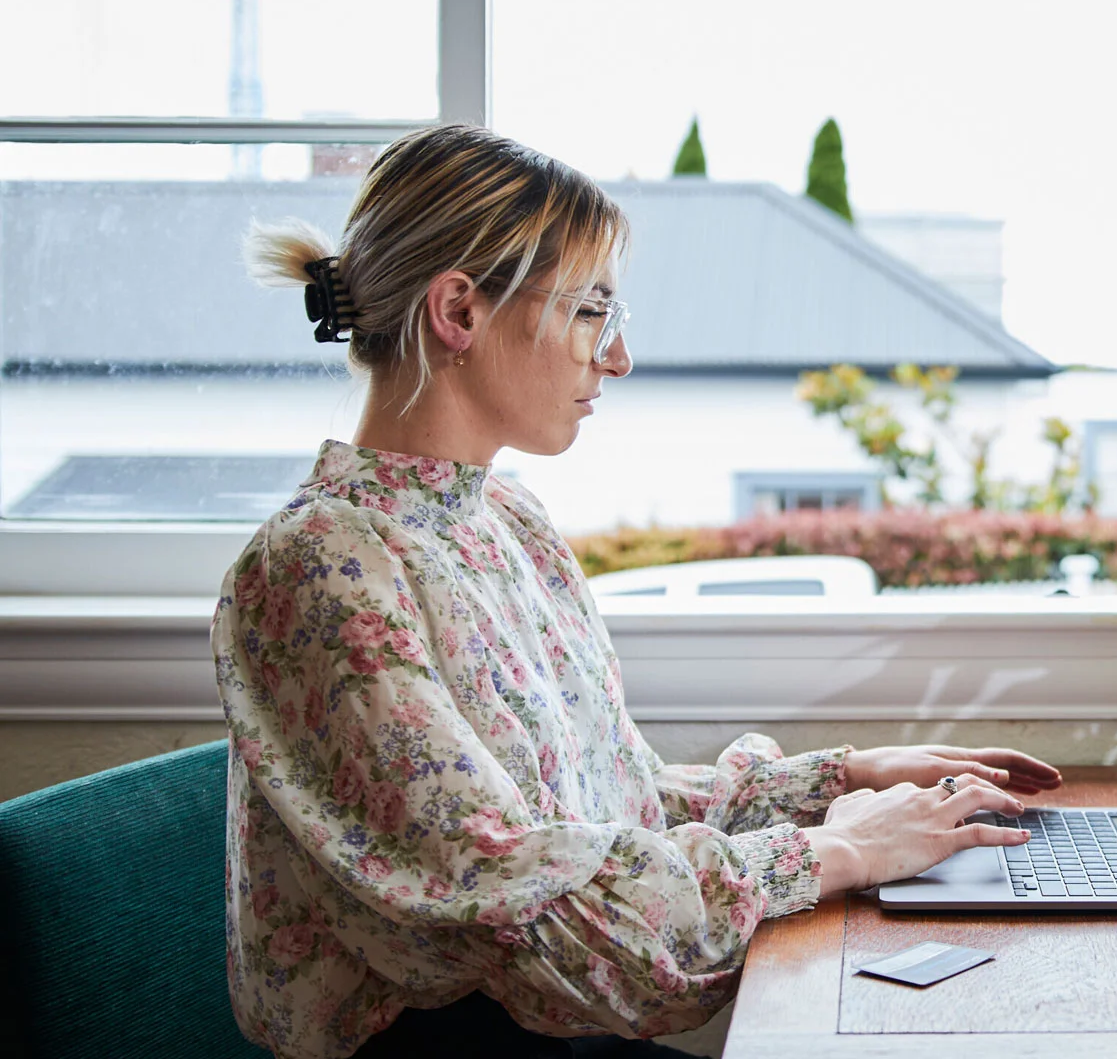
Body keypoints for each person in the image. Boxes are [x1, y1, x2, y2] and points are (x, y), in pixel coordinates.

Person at [213, 124, 1061, 1059]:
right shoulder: (322, 565)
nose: (615, 359)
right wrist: (842, 850)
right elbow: (534, 909)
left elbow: (609, 816)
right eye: (590, 314)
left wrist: (842, 781)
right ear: (458, 311)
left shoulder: (507, 521)